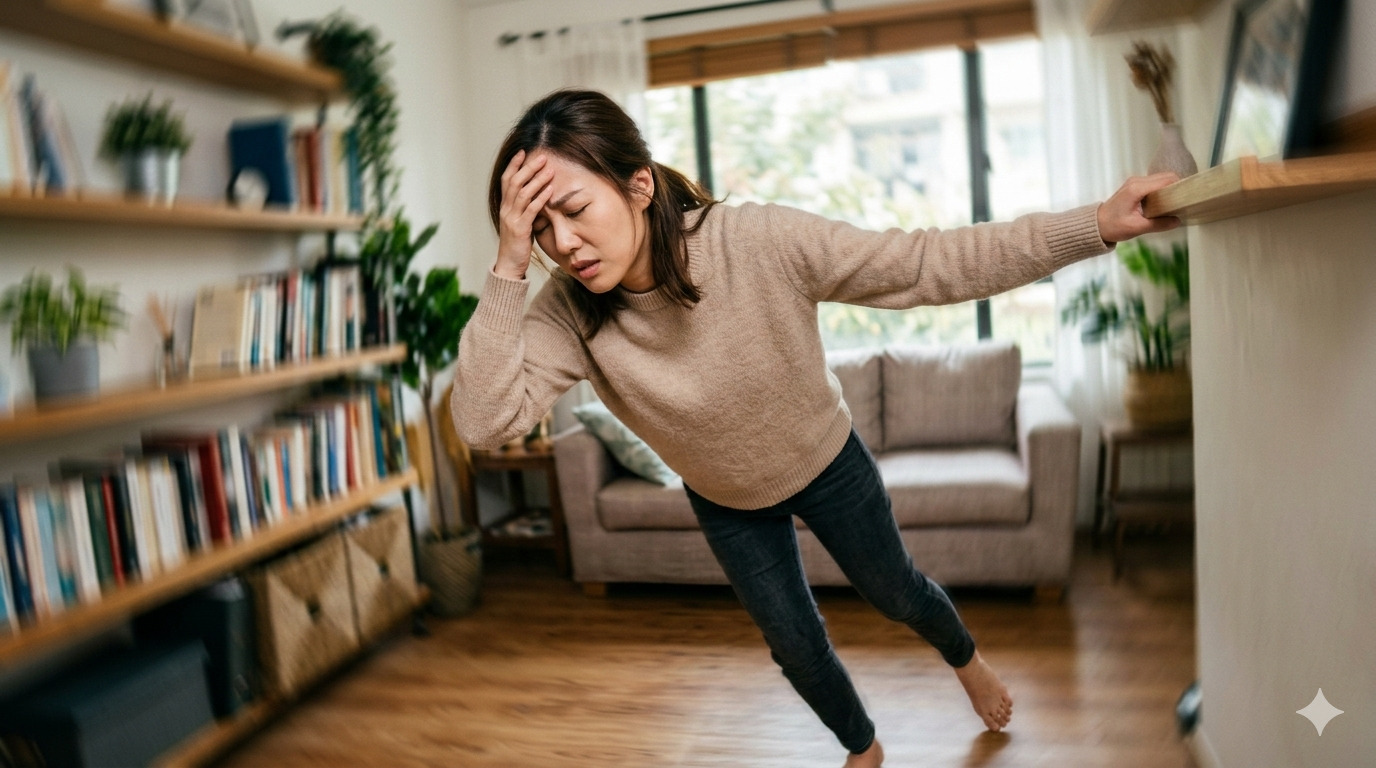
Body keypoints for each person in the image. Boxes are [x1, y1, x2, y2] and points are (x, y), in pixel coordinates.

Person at [453, 88, 1180, 767]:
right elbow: (484, 421)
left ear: (638, 185)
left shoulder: (755, 241)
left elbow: (929, 263)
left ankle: (965, 657)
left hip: (827, 460)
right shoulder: (567, 309)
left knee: (896, 593)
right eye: (540, 228)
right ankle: (863, 749)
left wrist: (1095, 225)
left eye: (575, 209)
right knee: (795, 647)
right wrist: (509, 263)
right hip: (725, 498)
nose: (565, 243)